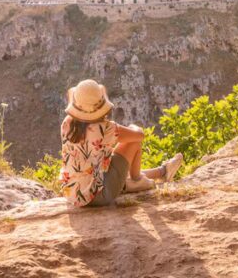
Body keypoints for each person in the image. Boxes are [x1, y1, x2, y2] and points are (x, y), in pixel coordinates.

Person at [59, 79, 183, 207]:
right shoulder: (106, 128)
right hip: (98, 196)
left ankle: (162, 171)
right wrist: (134, 126)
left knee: (110, 163)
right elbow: (140, 136)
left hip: (72, 194)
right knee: (134, 141)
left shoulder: (67, 123)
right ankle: (137, 180)